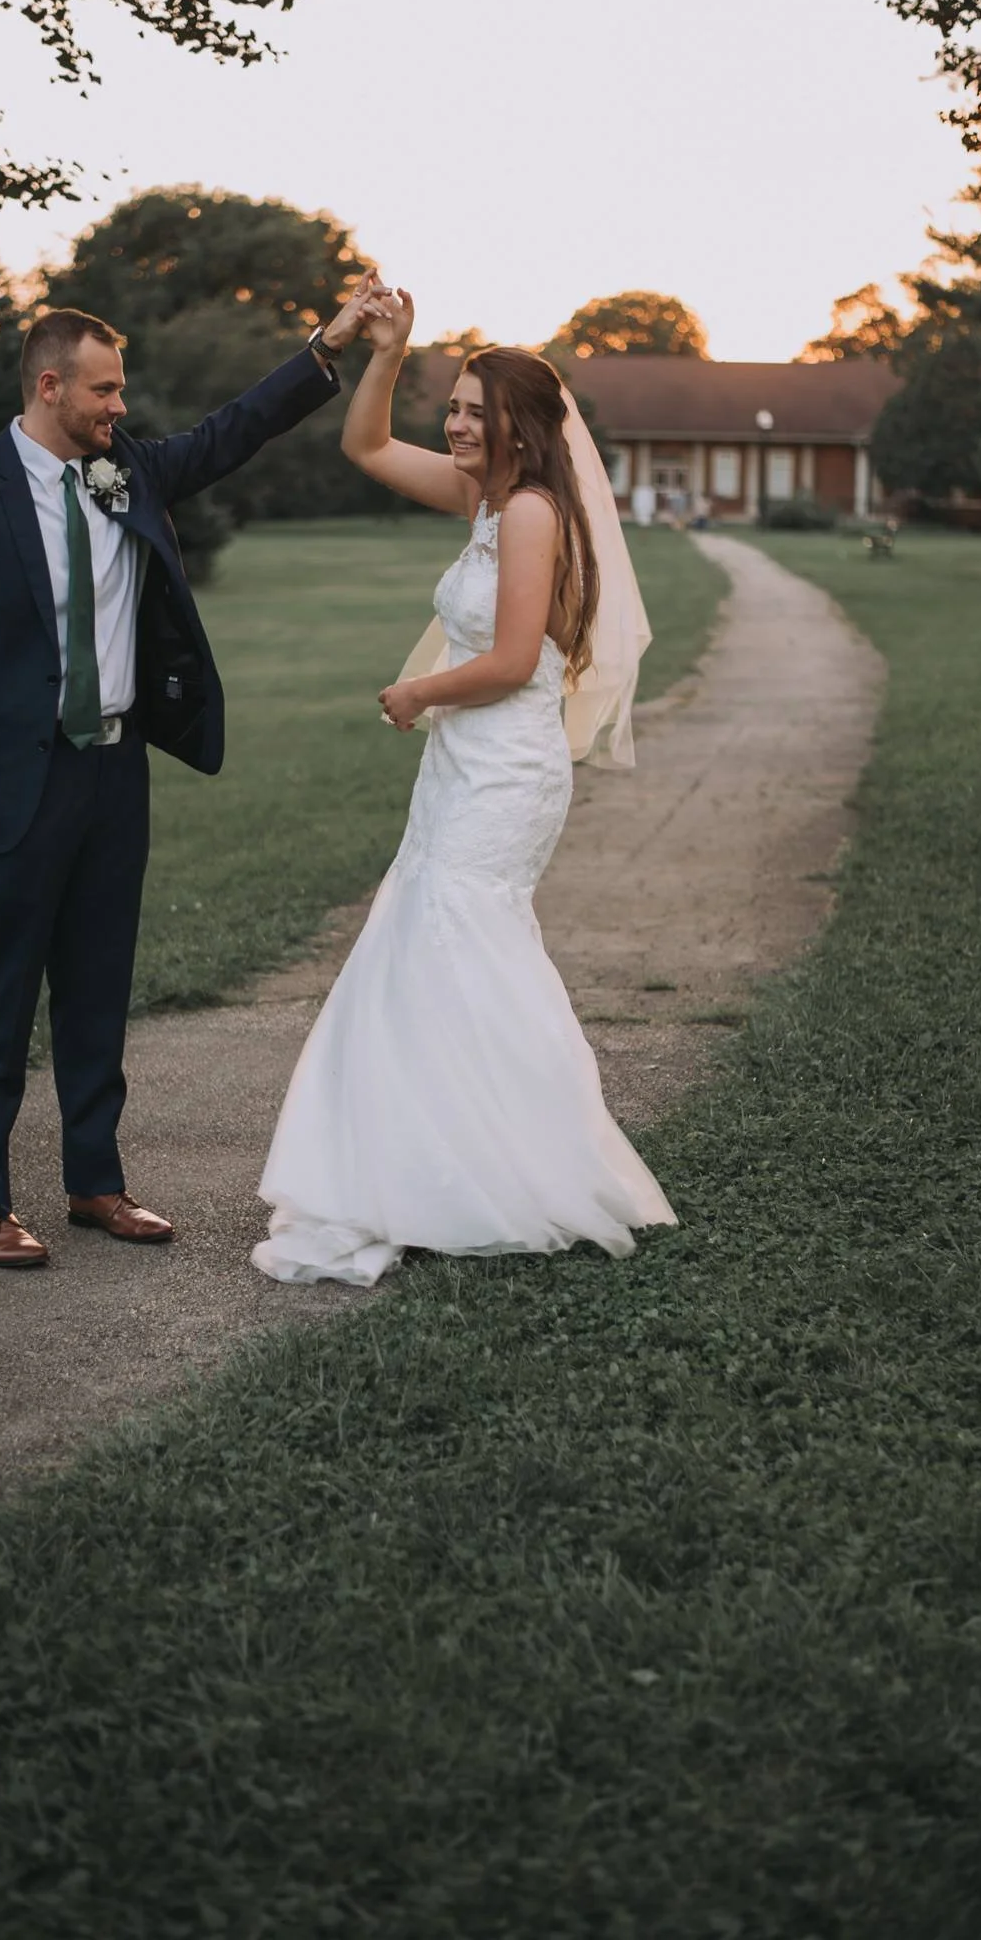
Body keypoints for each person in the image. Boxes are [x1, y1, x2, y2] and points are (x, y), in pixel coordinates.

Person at [0, 288, 377, 1269]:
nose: (119, 405)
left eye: (120, 389)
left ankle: (94, 1181)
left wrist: (327, 345)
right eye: (103, 388)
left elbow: (235, 429)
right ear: (48, 385)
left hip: (115, 772)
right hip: (5, 787)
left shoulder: (127, 470)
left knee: (98, 984)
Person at [250, 276, 676, 1287]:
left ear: (523, 428)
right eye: (450, 406)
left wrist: (416, 690)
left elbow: (516, 656)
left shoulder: (528, 513)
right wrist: (388, 350)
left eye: (473, 412)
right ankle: (430, 1163)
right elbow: (360, 448)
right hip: (462, 765)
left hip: (504, 769)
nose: (452, 424)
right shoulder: (482, 499)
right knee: (427, 941)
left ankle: (511, 1166)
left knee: (460, 936)